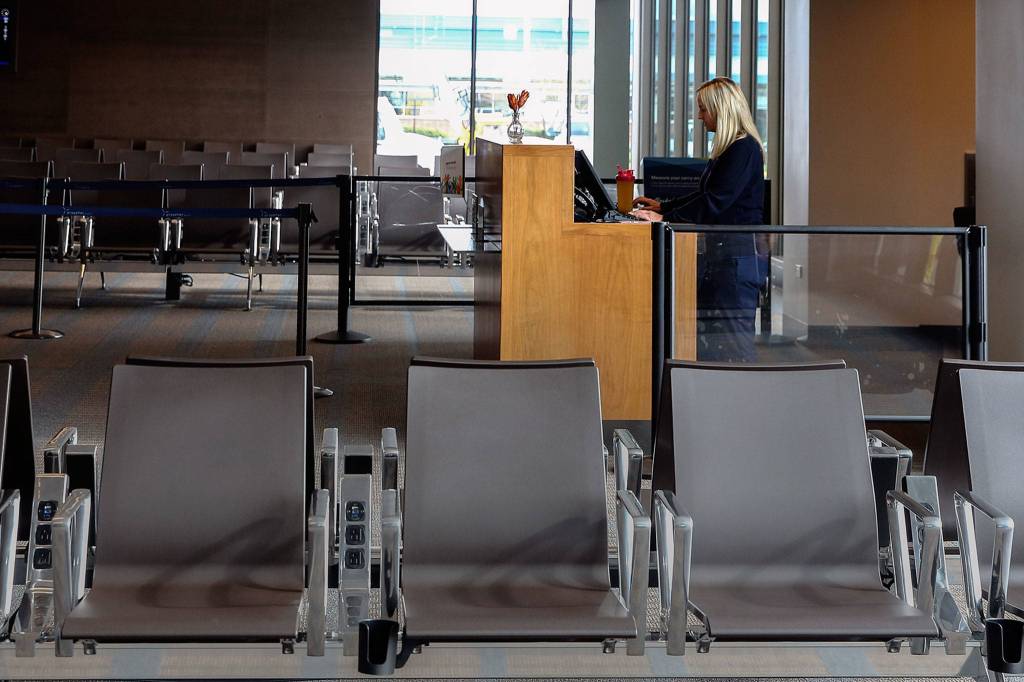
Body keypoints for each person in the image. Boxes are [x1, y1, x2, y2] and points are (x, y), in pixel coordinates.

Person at [632, 77, 766, 362]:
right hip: (724, 258)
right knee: (717, 340)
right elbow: (705, 194)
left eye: (704, 109)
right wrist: (664, 206)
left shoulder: (743, 149)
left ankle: (742, 400)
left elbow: (714, 203)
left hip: (736, 259)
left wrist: (662, 216)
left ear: (722, 110)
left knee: (735, 343)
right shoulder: (730, 149)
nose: (699, 116)